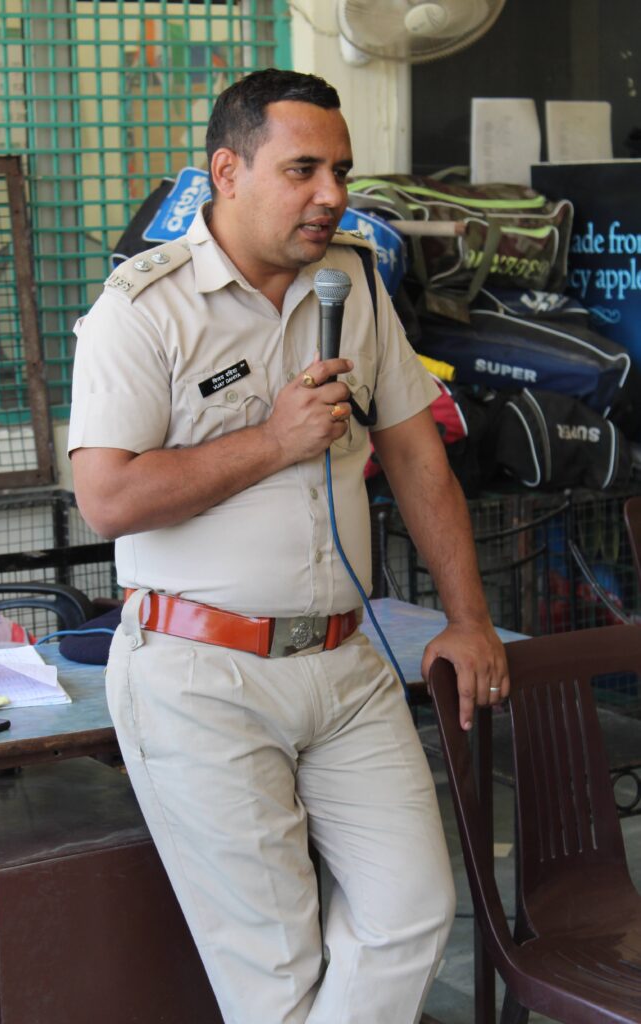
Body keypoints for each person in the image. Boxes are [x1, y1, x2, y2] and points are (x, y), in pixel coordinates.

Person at [68, 68, 509, 1024]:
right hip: (200, 675)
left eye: (341, 171)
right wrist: (272, 439)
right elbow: (104, 499)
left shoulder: (346, 276)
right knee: (276, 970)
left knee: (413, 911)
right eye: (302, 169)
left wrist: (468, 618)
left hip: (345, 662)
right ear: (226, 171)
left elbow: (413, 449)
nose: (332, 196)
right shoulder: (142, 309)